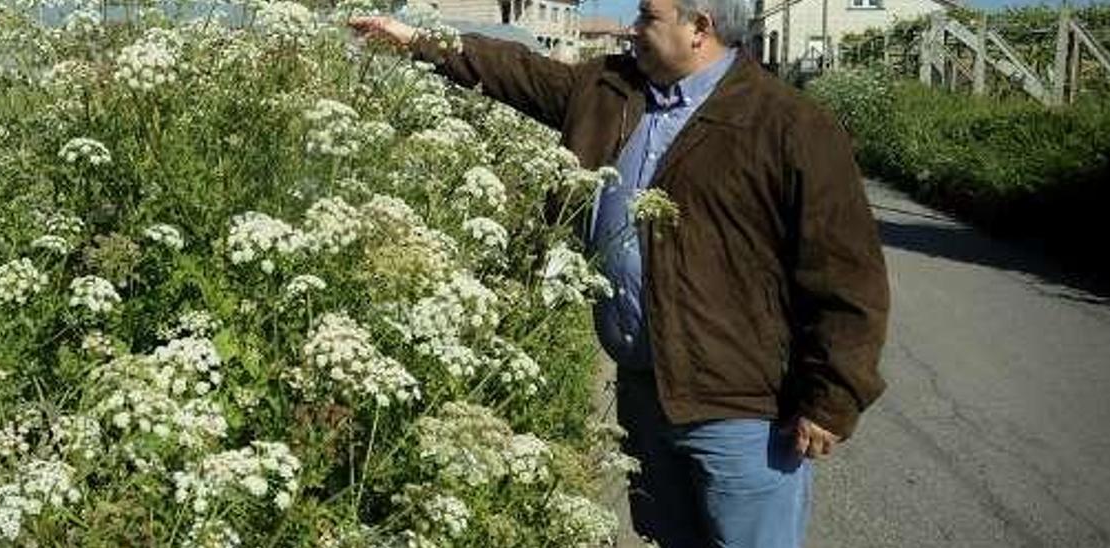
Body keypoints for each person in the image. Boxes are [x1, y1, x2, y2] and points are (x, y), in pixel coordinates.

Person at [350, 0, 889, 545]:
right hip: (641, 388)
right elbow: (517, 71)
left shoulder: (789, 124)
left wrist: (832, 399)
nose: (632, 30)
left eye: (648, 18)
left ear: (698, 27)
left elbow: (847, 275)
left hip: (741, 409)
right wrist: (412, 38)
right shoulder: (611, 92)